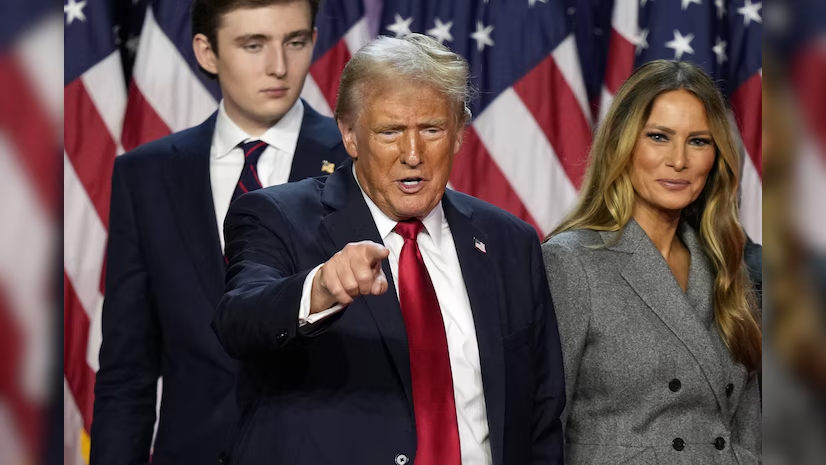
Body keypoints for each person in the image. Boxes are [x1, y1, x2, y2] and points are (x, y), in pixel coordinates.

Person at [212, 33, 566, 465]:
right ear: (350, 135)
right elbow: (238, 320)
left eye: (432, 129)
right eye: (390, 131)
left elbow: (542, 414)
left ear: (458, 133)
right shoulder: (277, 216)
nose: (412, 154)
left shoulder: (511, 242)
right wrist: (319, 288)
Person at [90, 1, 348, 463]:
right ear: (207, 53)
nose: (279, 67)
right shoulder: (145, 176)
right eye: (254, 45)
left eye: (295, 42)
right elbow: (127, 373)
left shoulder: (359, 165)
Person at [542, 60, 762, 464]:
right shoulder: (571, 262)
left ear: (716, 156)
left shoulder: (727, 267)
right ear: (621, 145)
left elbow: (748, 426)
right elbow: (542, 425)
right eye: (659, 137)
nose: (679, 160)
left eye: (698, 141)